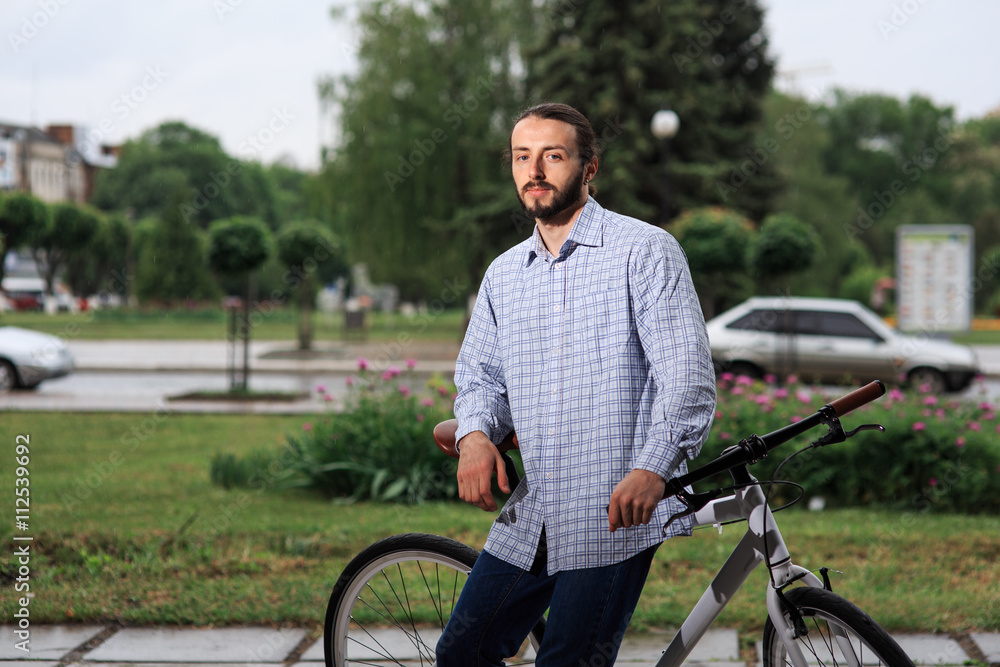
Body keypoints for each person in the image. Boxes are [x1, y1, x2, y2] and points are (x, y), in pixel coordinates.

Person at [437, 102, 716, 666]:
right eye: (522, 157)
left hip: (613, 508)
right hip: (535, 505)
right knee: (461, 651)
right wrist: (474, 435)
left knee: (567, 660)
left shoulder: (645, 251)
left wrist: (652, 468)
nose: (534, 170)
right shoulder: (504, 275)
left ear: (589, 168)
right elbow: (481, 376)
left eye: (553, 156)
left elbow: (687, 379)